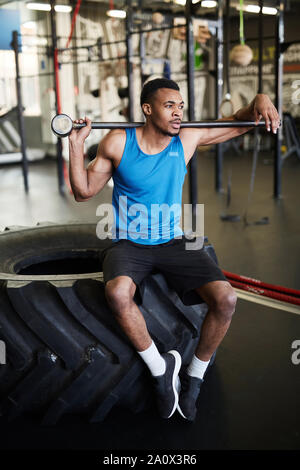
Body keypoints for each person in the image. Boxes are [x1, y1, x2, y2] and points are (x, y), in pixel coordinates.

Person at [68, 78, 280, 421]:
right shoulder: (119, 142)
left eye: (181, 106)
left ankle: (194, 375)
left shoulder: (187, 138)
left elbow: (241, 122)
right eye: (170, 106)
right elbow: (83, 191)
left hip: (175, 239)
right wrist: (76, 145)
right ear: (147, 109)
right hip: (129, 241)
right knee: (118, 293)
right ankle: (160, 369)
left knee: (226, 299)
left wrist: (260, 98)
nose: (178, 113)